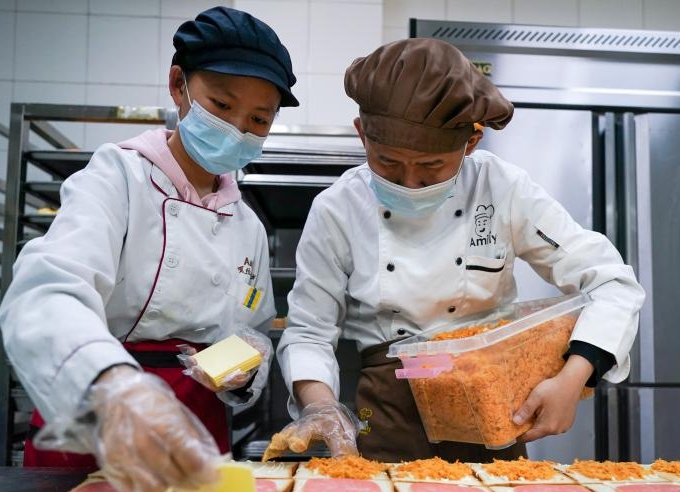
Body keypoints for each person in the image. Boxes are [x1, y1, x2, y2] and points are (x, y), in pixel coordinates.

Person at [270, 38, 645, 463]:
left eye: (431, 167)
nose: (409, 183)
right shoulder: (338, 208)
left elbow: (612, 282)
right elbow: (309, 331)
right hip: (392, 407)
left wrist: (574, 377)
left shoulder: (502, 188)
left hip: (490, 406)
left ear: (471, 144)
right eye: (388, 162)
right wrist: (319, 407)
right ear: (361, 134)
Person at [0, 6, 298, 492]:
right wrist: (114, 388)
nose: (237, 129)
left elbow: (252, 328)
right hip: (97, 416)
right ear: (179, 85)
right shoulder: (118, 178)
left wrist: (248, 361)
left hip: (197, 431)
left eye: (258, 119)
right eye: (222, 106)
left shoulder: (247, 225)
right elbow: (47, 292)